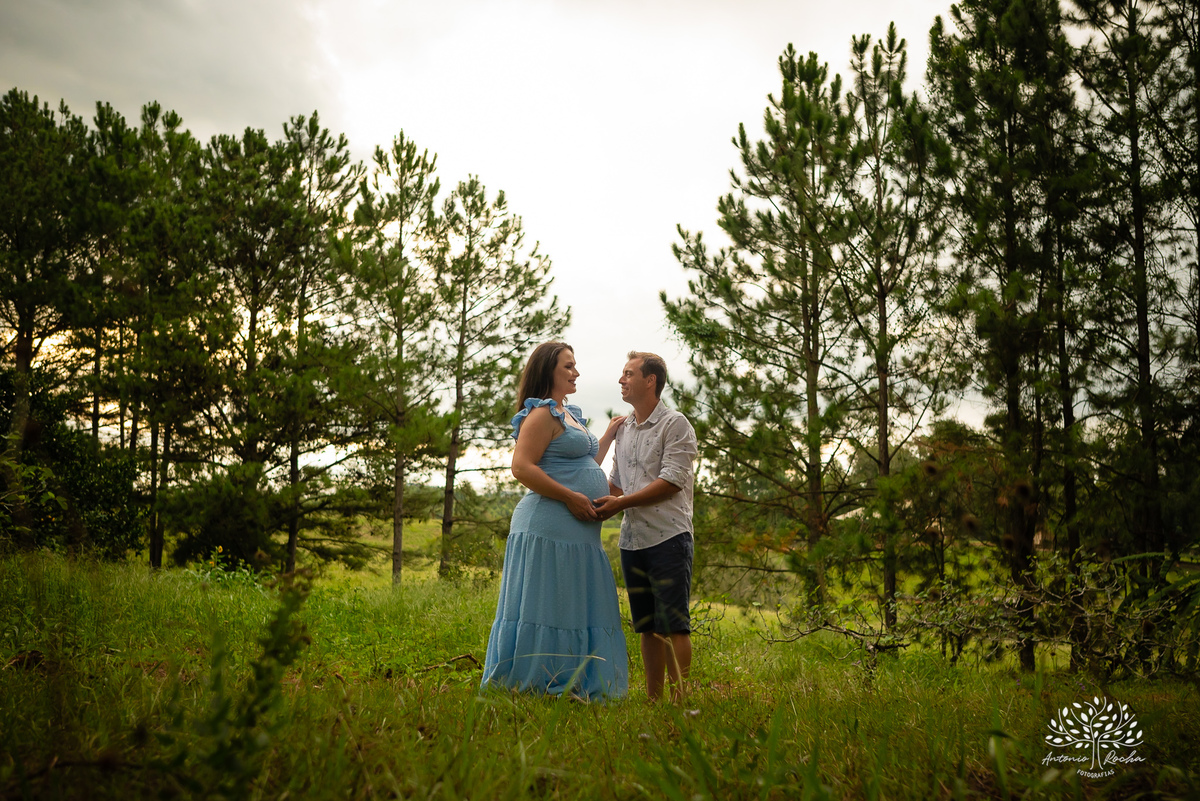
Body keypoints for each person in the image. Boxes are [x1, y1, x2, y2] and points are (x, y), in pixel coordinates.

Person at [480, 342, 629, 700]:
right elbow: (522, 467)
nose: (575, 372)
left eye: (575, 366)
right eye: (568, 366)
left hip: (577, 531)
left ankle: (572, 676)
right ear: (548, 370)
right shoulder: (542, 414)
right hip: (548, 524)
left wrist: (608, 435)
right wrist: (569, 497)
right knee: (549, 603)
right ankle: (540, 678)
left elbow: (583, 465)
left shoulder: (569, 413)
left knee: (569, 604)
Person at [594, 351, 698, 702]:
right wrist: (579, 502)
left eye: (628, 374)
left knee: (673, 624)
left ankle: (682, 705)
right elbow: (617, 485)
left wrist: (619, 504)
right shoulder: (623, 430)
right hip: (632, 541)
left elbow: (671, 481)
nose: (621, 380)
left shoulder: (675, 424)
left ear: (650, 380)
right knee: (647, 626)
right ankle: (655, 702)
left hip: (669, 538)